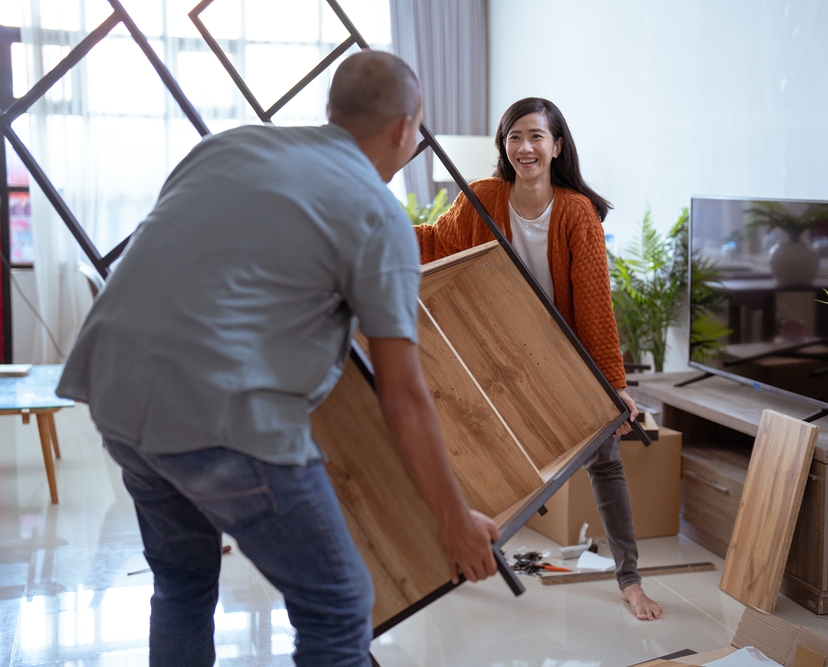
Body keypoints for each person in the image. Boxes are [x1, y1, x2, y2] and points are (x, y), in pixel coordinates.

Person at [55, 51, 499, 667]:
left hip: (115, 394)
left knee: (182, 586)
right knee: (338, 609)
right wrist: (455, 520)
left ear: (331, 112)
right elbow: (403, 394)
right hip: (223, 422)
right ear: (405, 129)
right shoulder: (376, 215)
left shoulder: (228, 147)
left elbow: (195, 266)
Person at [415, 97, 663, 621]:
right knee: (475, 455)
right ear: (504, 147)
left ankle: (630, 581)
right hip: (497, 356)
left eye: (535, 136)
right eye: (514, 137)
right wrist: (366, 231)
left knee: (605, 463)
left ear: (556, 146)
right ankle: (459, 554)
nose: (524, 147)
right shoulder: (482, 197)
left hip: (563, 355)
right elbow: (435, 244)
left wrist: (614, 385)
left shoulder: (575, 212)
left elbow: (596, 304)